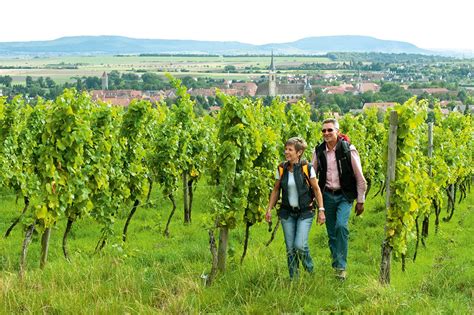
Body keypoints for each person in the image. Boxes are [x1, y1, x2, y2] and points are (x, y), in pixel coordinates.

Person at [312, 118, 367, 280]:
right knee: (331, 233)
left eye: (330, 130)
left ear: (337, 131)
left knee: (341, 226)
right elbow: (312, 175)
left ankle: (341, 266)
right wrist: (312, 198)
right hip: (327, 195)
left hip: (344, 195)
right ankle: (337, 264)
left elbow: (359, 176)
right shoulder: (318, 151)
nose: (326, 133)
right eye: (324, 130)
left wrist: (361, 200)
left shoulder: (348, 149)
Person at [265, 137, 325, 279]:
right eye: (285, 149)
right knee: (290, 249)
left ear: (299, 152)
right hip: (287, 213)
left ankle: (310, 270)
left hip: (305, 212)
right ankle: (294, 279)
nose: (286, 152)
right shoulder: (281, 168)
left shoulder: (307, 168)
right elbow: (276, 190)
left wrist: (321, 210)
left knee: (300, 245)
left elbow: (316, 189)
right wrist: (269, 209)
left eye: (290, 150)